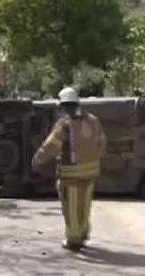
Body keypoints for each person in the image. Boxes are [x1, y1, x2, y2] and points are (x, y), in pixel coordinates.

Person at [32, 86, 107, 251]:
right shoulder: (93, 120)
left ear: (64, 105)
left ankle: (73, 239)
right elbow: (102, 142)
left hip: (71, 174)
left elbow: (51, 145)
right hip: (90, 172)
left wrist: (38, 159)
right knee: (84, 205)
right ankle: (83, 233)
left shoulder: (65, 124)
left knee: (71, 206)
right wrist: (93, 159)